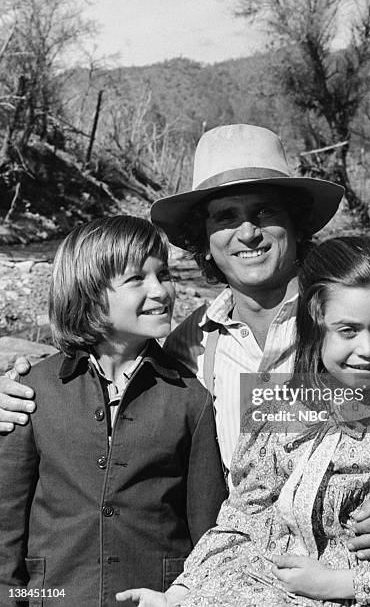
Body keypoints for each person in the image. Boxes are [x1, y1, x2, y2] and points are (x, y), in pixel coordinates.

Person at [0, 124, 370, 561]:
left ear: (295, 223)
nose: (248, 232)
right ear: (204, 238)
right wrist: (18, 393)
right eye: (225, 217)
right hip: (254, 583)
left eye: (264, 211)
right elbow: (106, 381)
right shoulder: (188, 344)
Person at [118, 237, 370, 607]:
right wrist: (180, 594)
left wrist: (340, 583)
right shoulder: (276, 411)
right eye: (347, 331)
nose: (368, 349)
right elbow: (242, 522)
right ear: (314, 326)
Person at [0, 216, 227, 606]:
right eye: (137, 279)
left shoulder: (192, 398)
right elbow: (6, 523)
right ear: (87, 293)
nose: (161, 291)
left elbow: (206, 530)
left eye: (164, 273)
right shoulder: (32, 391)